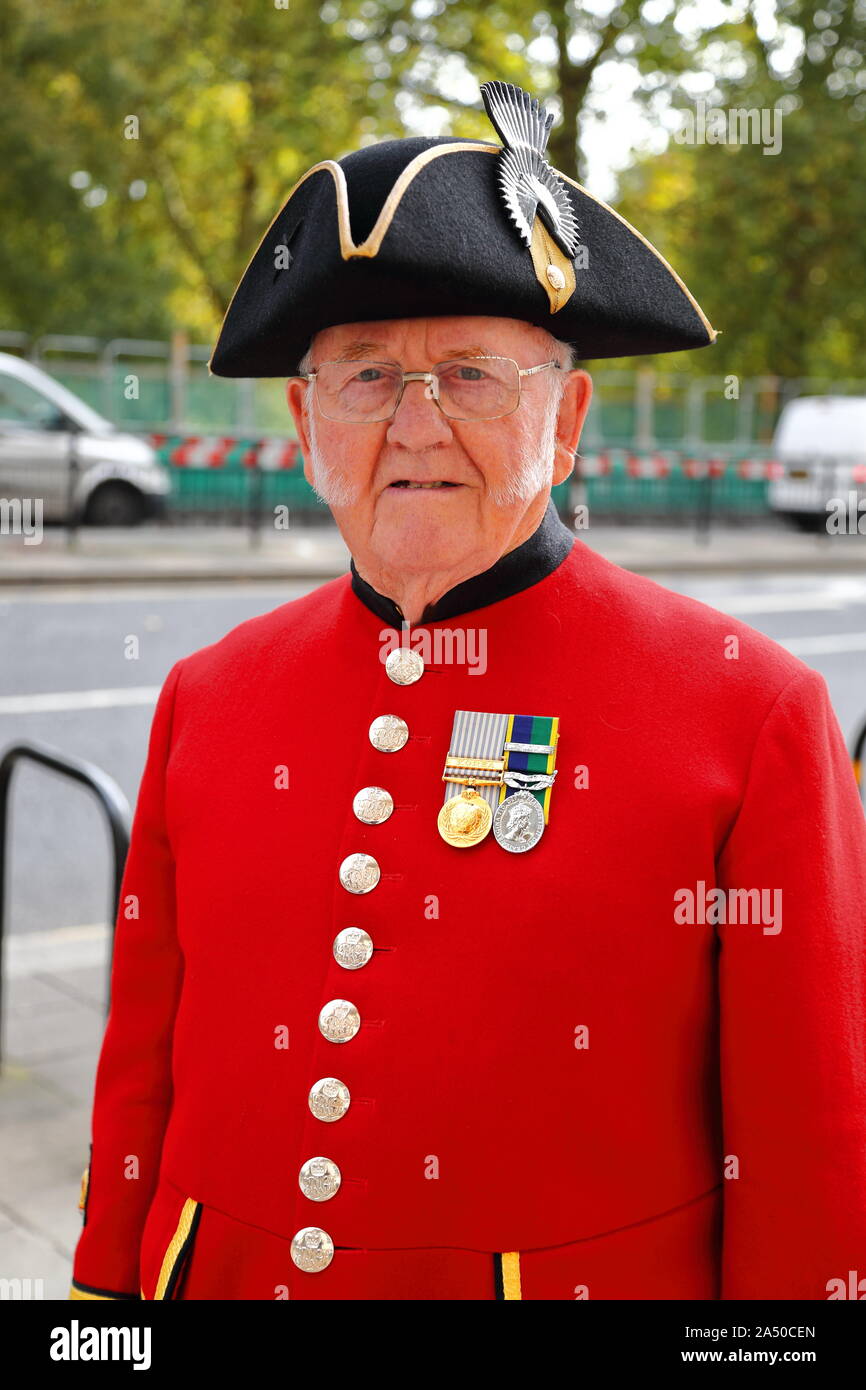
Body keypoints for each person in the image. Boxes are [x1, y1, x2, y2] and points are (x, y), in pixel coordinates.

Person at [69, 80, 866, 1302]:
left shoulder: (750, 713)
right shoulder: (204, 696)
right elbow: (140, 1075)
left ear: (567, 418)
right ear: (303, 421)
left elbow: (807, 1142)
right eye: (368, 377)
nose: (418, 424)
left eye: (473, 375)